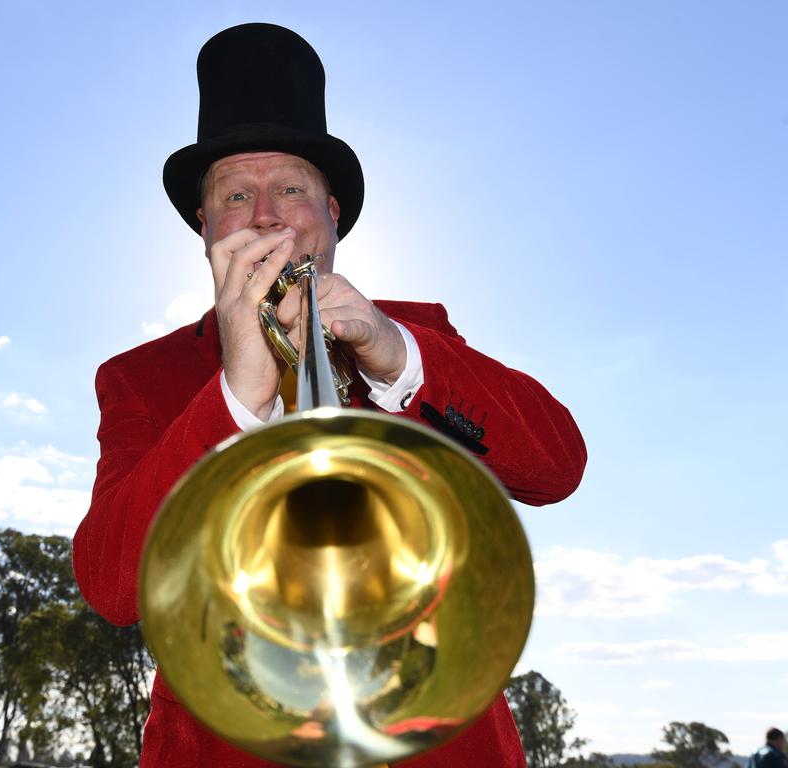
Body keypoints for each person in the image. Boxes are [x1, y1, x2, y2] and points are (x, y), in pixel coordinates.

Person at [73, 22, 587, 768]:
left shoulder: (420, 336)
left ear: (332, 213)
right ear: (204, 227)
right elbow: (113, 584)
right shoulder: (140, 378)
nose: (266, 215)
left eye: (291, 189)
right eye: (236, 195)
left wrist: (390, 350)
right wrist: (237, 395)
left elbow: (559, 466)